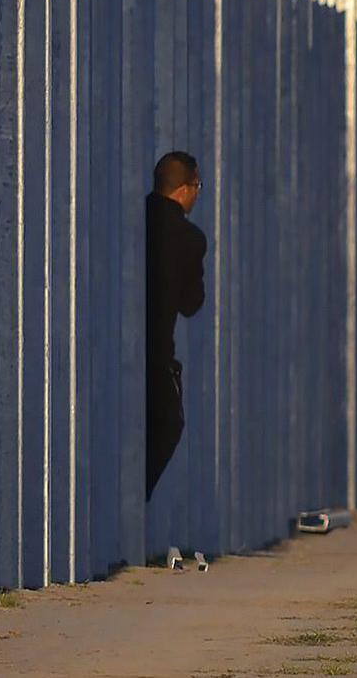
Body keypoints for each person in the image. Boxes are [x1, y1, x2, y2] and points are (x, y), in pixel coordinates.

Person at [146, 151, 207, 501]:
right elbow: (191, 304)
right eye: (198, 186)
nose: (198, 194)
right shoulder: (189, 238)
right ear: (184, 189)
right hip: (155, 355)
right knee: (169, 426)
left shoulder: (135, 215)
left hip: (104, 350)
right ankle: (136, 502)